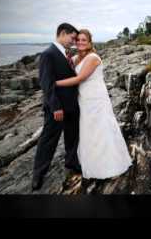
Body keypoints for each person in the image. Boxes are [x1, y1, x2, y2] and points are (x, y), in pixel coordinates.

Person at [55, 29, 132, 181]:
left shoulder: (93, 57)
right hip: (83, 98)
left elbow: (80, 78)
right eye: (78, 40)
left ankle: (107, 165)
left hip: (95, 98)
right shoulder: (76, 58)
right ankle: (88, 162)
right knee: (87, 130)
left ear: (90, 42)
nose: (80, 42)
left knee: (100, 129)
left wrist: (55, 83)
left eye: (84, 40)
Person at [32, 23, 81, 191]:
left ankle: (71, 162)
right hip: (57, 108)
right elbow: (46, 84)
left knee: (72, 136)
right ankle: (38, 174)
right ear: (62, 33)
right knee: (48, 140)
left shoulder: (67, 54)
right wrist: (55, 107)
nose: (73, 42)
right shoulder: (48, 54)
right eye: (72, 38)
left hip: (72, 105)